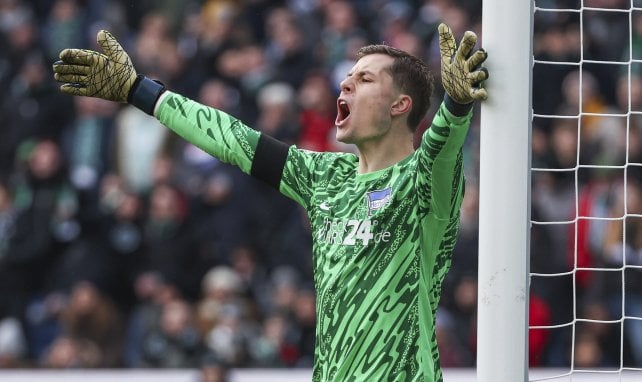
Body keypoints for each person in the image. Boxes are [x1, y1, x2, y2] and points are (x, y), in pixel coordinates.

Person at [52, 22, 488, 381]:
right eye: (348, 76)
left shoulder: (422, 180)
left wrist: (457, 103)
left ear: (400, 105)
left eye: (365, 78)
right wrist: (139, 91)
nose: (347, 83)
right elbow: (233, 140)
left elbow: (443, 146)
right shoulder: (324, 176)